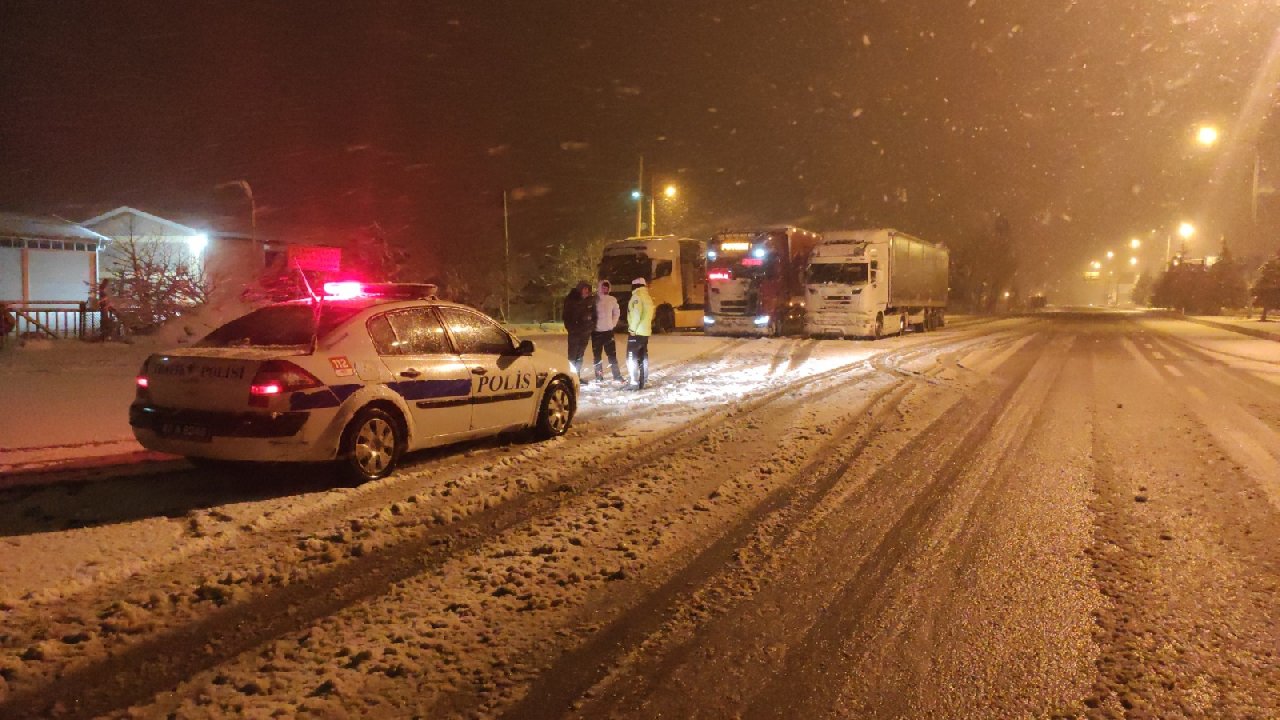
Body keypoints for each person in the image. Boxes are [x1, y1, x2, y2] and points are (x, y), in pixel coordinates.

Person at [561, 280, 596, 382]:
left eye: (587, 289)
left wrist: (591, 326)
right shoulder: (571, 299)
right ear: (579, 289)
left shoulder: (590, 300)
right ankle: (571, 377)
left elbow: (594, 315)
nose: (586, 291)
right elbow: (566, 316)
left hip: (585, 332)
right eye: (584, 288)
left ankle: (577, 376)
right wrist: (571, 328)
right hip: (574, 333)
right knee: (572, 355)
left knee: (580, 355)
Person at [591, 280, 624, 383]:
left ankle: (617, 376)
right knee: (597, 356)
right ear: (600, 287)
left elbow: (617, 313)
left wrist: (612, 324)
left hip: (608, 332)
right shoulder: (594, 300)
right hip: (596, 332)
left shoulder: (612, 299)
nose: (605, 289)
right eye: (603, 287)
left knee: (612, 355)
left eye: (606, 287)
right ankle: (599, 377)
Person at [626, 277, 655, 390]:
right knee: (643, 356)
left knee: (631, 357)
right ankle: (644, 380)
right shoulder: (647, 297)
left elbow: (636, 314)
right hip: (645, 332)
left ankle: (633, 382)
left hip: (636, 332)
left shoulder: (636, 297)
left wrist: (632, 329)